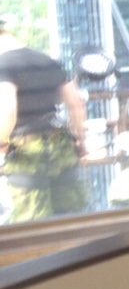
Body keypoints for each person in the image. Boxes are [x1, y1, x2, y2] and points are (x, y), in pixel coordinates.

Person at [0, 14, 89, 222]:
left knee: (35, 228)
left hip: (27, 154)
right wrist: (79, 140)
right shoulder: (47, 61)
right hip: (62, 146)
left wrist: (1, 142)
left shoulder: (3, 65)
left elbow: (8, 110)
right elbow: (76, 105)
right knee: (73, 222)